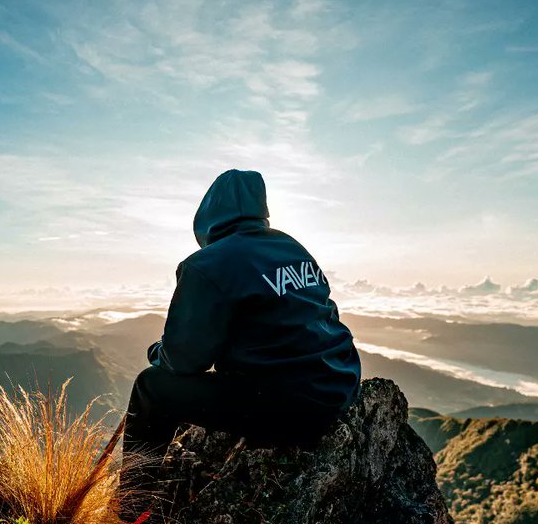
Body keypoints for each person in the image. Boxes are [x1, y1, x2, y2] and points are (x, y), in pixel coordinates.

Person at [123, 169, 361, 459]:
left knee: (150, 387)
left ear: (207, 214)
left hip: (289, 408)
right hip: (338, 387)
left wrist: (158, 353)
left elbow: (185, 361)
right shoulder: (291, 247)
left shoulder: (206, 265)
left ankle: (136, 501)